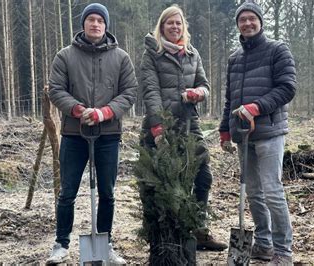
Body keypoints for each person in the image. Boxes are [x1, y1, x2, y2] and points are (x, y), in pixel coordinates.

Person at [46, 3, 137, 264]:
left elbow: (129, 91)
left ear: (106, 26)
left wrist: (105, 112)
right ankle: (61, 243)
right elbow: (55, 89)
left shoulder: (121, 58)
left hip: (108, 134)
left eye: (100, 20)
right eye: (91, 20)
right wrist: (76, 109)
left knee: (107, 192)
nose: (95, 24)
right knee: (67, 191)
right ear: (83, 24)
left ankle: (105, 243)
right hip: (75, 135)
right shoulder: (65, 55)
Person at [140, 5, 227, 251]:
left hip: (190, 125)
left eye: (179, 23)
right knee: (165, 183)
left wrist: (199, 93)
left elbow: (205, 85)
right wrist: (158, 129)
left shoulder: (192, 53)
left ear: (183, 27)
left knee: (203, 176)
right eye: (170, 23)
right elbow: (151, 92)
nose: (175, 27)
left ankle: (199, 231)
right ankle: (163, 237)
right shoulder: (152, 54)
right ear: (162, 27)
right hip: (161, 128)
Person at [219, 1, 296, 265]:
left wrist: (256, 107)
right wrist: (224, 130)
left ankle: (283, 250)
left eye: (252, 18)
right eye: (243, 20)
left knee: (272, 190)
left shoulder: (277, 50)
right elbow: (230, 98)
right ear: (238, 24)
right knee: (253, 192)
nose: (248, 23)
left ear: (260, 22)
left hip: (270, 131)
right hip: (243, 134)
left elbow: (287, 88)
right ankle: (263, 244)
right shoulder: (235, 58)